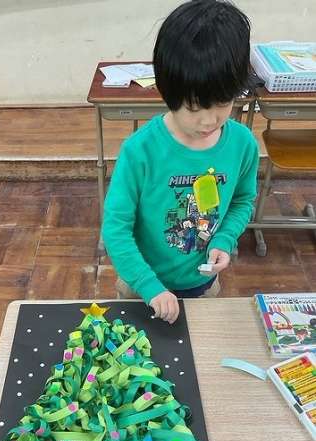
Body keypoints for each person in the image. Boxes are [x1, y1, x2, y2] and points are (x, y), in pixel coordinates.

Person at [102, 0, 259, 324]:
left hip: (204, 285)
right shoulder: (140, 151)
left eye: (222, 103)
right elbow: (116, 229)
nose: (209, 120)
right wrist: (149, 286)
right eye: (194, 107)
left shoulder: (242, 144)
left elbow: (242, 201)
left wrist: (224, 239)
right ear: (167, 91)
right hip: (141, 289)